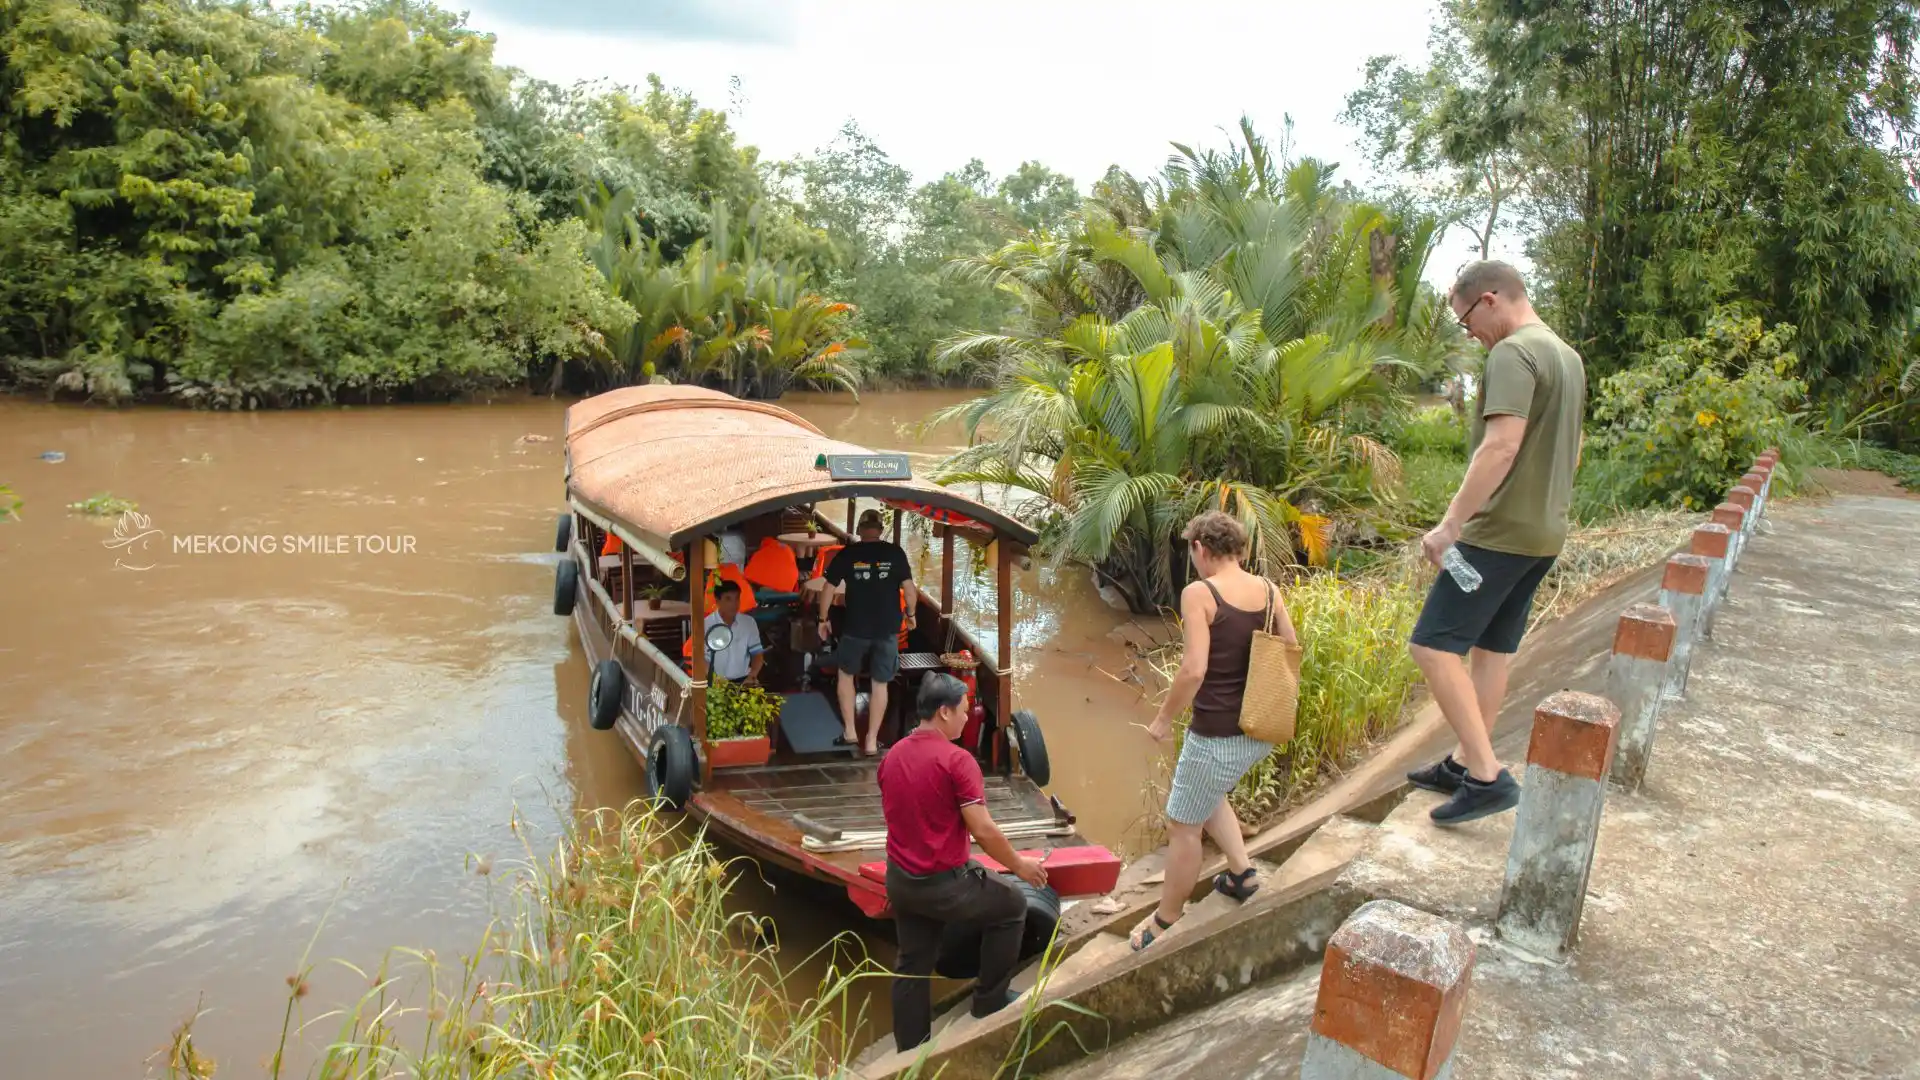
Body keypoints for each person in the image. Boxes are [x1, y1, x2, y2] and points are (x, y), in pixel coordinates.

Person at [1406, 260, 1586, 825]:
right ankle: (1464, 761)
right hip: (1543, 532)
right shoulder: (1566, 354)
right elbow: (1574, 449)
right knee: (1493, 648)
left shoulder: (1512, 353)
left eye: (1466, 321)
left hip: (1500, 533)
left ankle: (1486, 777)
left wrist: (1451, 524)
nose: (1471, 334)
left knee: (1433, 645)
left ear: (1489, 299)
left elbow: (1500, 447)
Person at [1132, 511, 1298, 951]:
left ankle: (1165, 921)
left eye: (1195, 553)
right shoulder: (1269, 589)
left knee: (1182, 825)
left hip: (1216, 736)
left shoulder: (1199, 593)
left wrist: (1163, 719)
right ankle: (1242, 874)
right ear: (1239, 550)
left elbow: (1193, 670)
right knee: (1210, 793)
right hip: (1258, 729)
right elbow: (1291, 649)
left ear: (1202, 550)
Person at [879, 673, 1048, 1052]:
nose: (968, 716)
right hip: (944, 883)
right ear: (943, 712)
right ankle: (988, 1000)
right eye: (963, 709)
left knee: (912, 964)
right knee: (1012, 905)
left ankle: (910, 1050)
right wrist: (1020, 866)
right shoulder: (958, 760)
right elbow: (983, 830)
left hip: (902, 880)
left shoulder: (891, 756)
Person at [819, 508, 919, 754]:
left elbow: (828, 588)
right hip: (887, 630)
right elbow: (909, 588)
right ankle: (872, 741)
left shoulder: (849, 553)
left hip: (855, 628)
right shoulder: (895, 553)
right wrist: (912, 615)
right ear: (881, 529)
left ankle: (851, 733)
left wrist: (823, 619)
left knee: (845, 675)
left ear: (860, 529)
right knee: (880, 683)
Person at [694, 579, 764, 684]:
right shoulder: (705, 625)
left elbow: (757, 653)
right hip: (715, 682)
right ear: (717, 601)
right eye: (728, 599)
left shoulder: (749, 622)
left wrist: (752, 675)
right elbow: (702, 659)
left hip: (744, 681)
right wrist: (714, 679)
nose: (734, 604)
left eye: (737, 599)